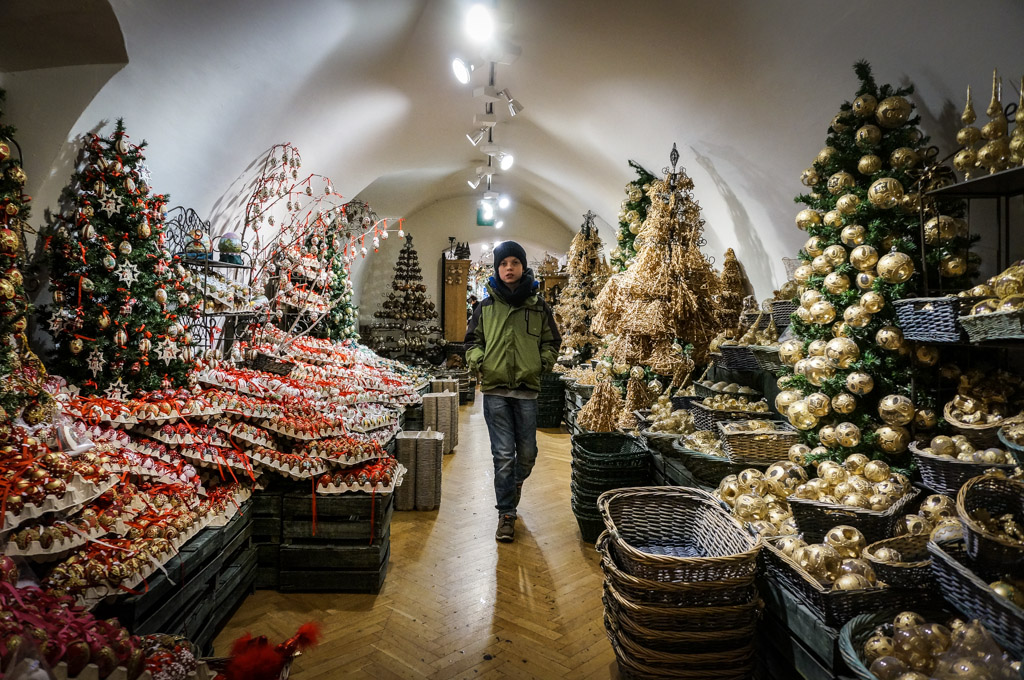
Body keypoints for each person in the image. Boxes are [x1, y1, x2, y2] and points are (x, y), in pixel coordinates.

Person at [465, 241, 561, 542]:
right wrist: (480, 362)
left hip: (527, 390)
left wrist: (541, 364)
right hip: (495, 390)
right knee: (503, 455)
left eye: (514, 263)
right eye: (503, 263)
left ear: (522, 267)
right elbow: (471, 342)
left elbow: (552, 342)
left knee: (528, 454)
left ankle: (514, 483)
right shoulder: (486, 307)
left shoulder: (538, 306)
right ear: (497, 268)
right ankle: (506, 513)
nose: (509, 268)